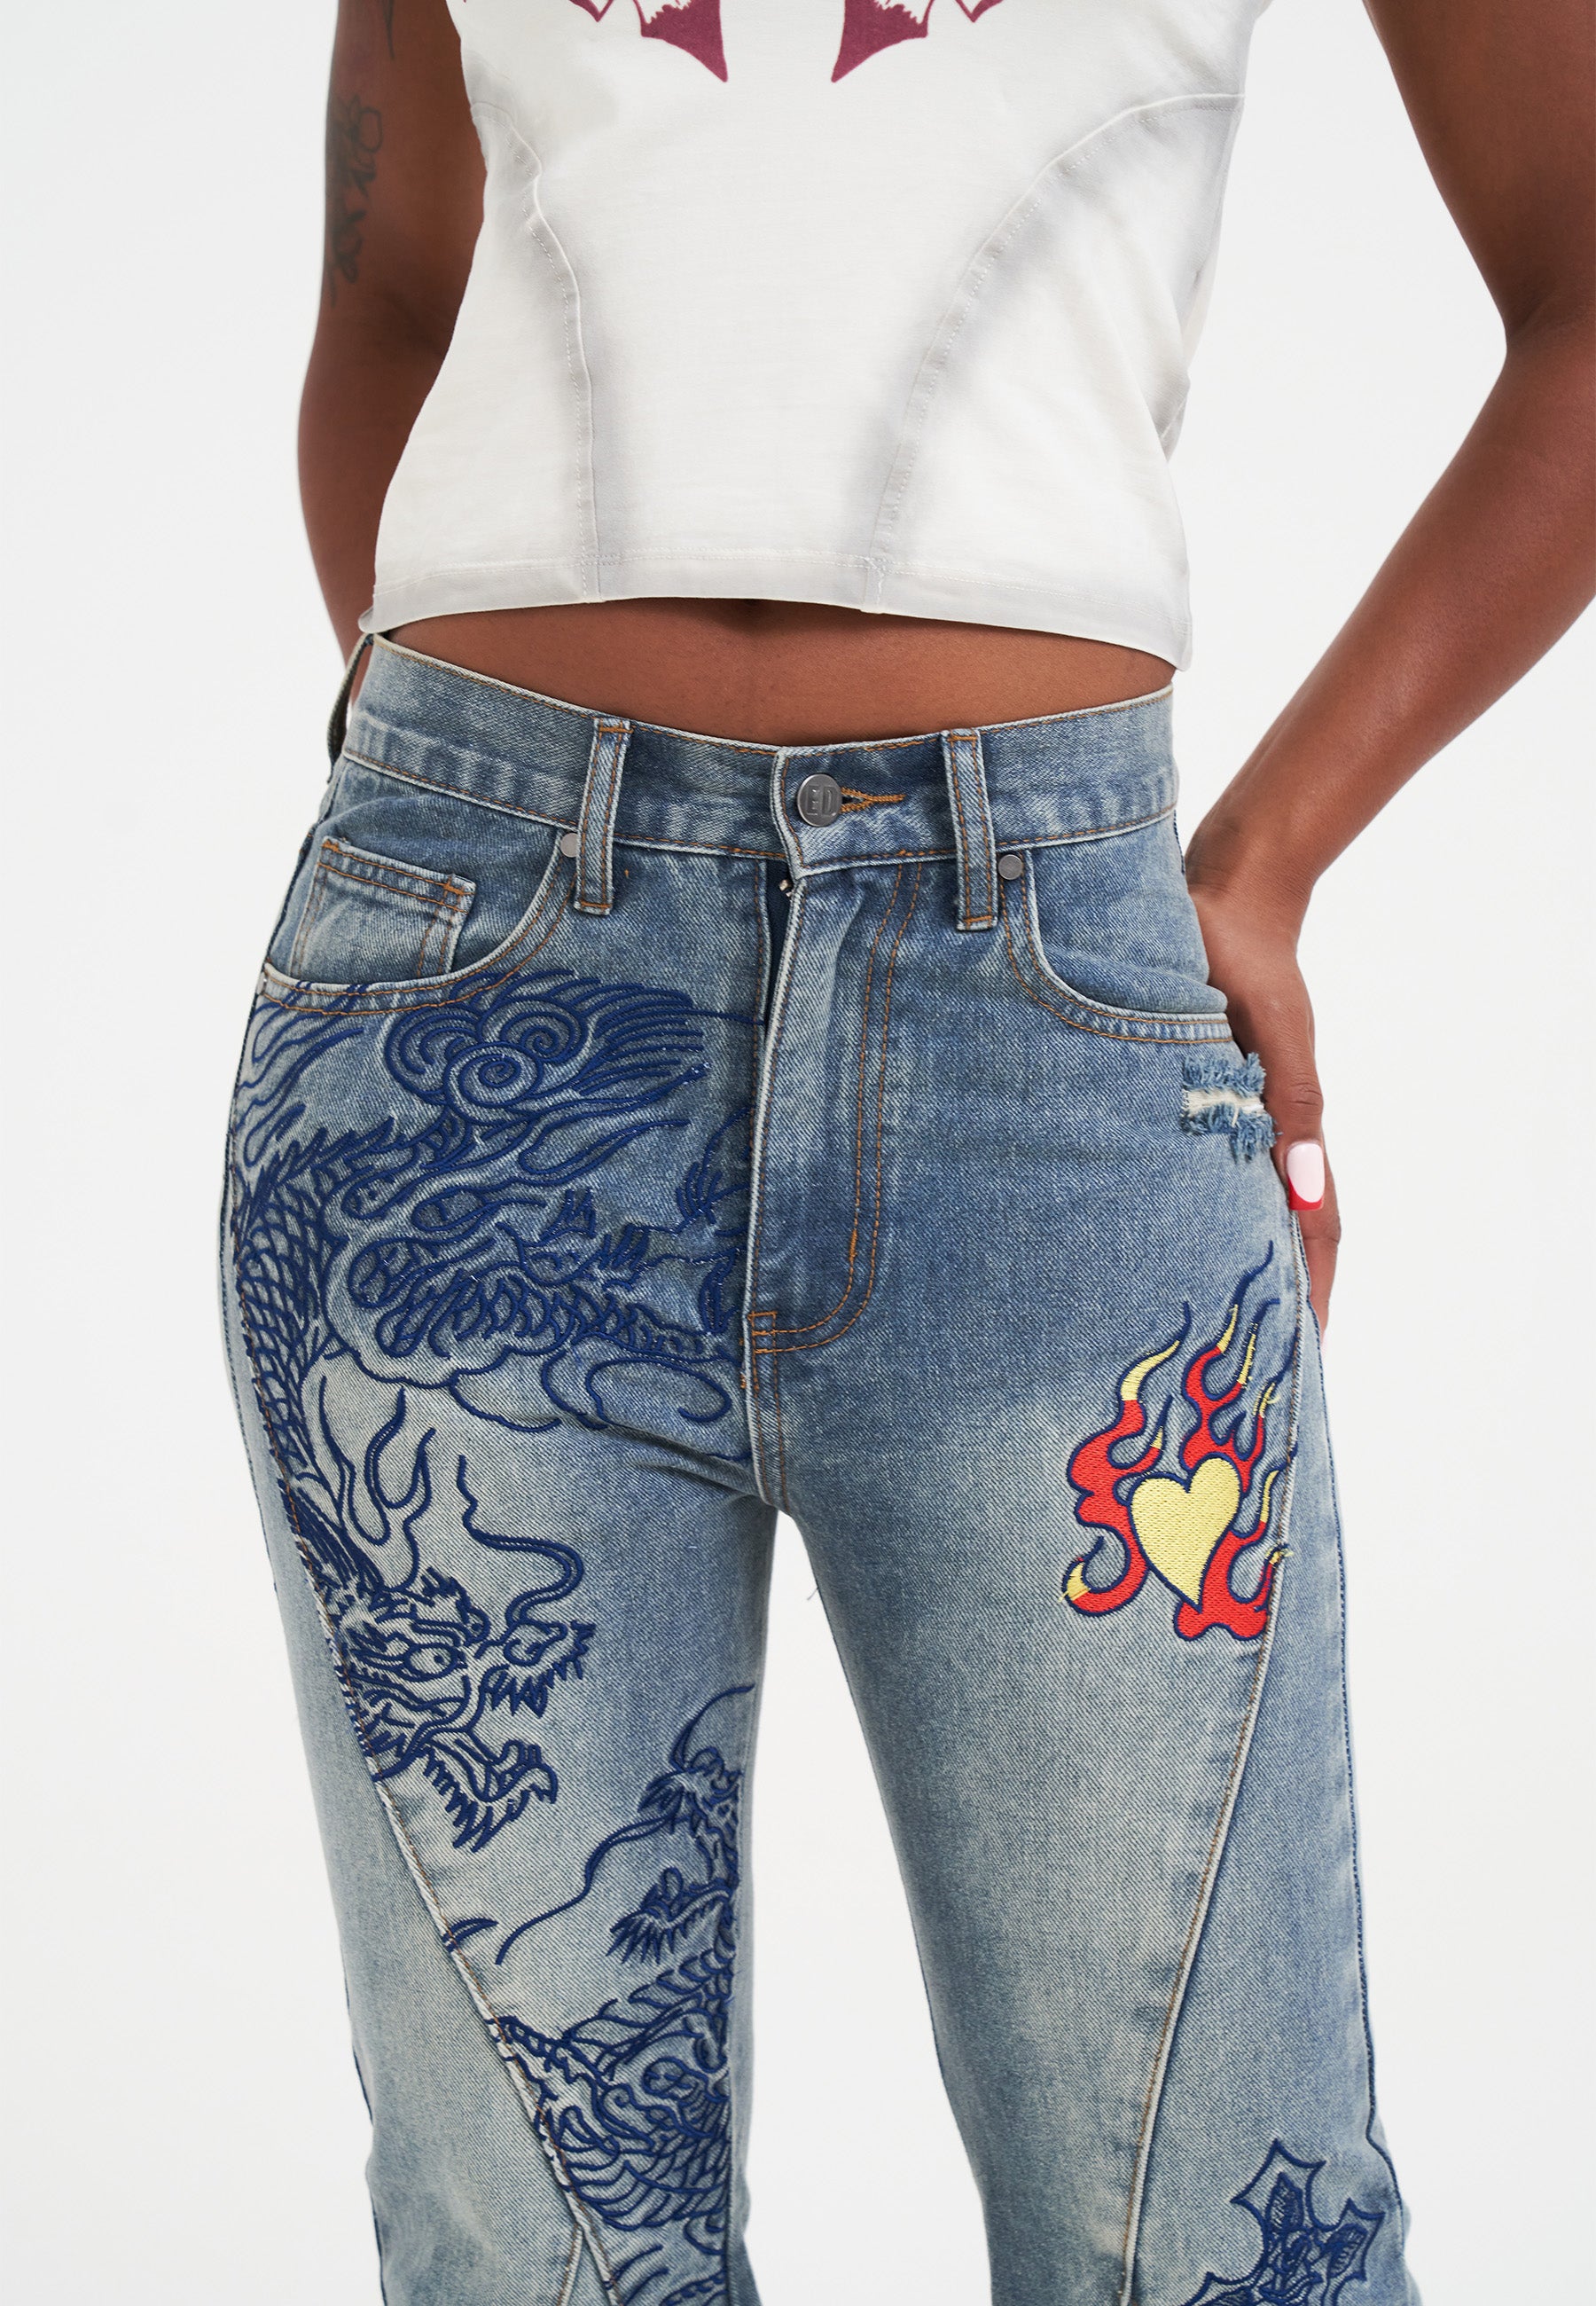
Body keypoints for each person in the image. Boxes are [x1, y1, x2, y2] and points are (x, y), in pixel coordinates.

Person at [221, 4, 1592, 2302]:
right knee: (530, 2253)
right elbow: (390, 299)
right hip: (463, 1024)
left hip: (1047, 1036)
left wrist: (1265, 861)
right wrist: (447, 801)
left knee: (1223, 2235)